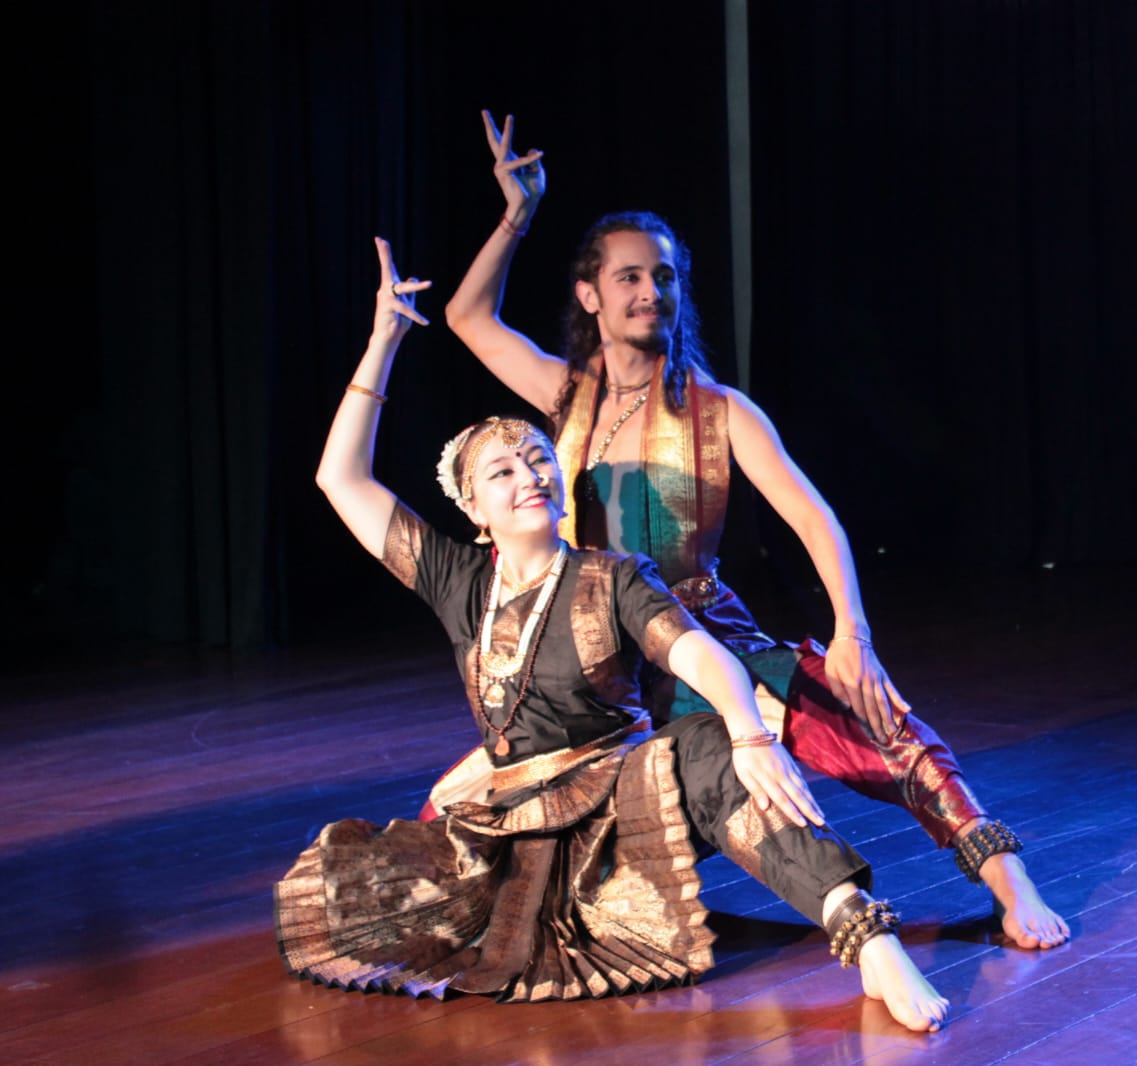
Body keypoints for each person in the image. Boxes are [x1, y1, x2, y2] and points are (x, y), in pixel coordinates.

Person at [275, 237, 949, 1031]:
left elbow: (698, 651)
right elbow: (339, 478)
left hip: (617, 822)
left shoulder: (612, 575)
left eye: (536, 460)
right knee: (352, 890)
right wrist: (383, 341)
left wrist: (749, 733)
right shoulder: (459, 583)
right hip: (513, 831)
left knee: (705, 746)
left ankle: (862, 931)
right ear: (472, 510)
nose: (528, 474)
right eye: (502, 472)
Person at [437, 111, 1069, 950]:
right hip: (600, 659)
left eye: (662, 277)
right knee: (489, 821)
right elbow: (467, 318)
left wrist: (856, 636)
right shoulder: (564, 398)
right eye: (627, 277)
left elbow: (814, 516)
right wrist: (516, 215)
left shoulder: (720, 411)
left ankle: (1006, 878)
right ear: (590, 295)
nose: (647, 292)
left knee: (867, 721)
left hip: (703, 632)